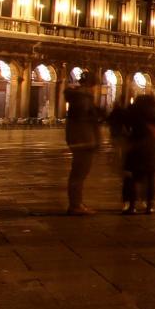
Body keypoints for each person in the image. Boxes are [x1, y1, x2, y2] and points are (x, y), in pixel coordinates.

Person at [122, 94, 155, 215]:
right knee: (151, 177)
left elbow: (124, 126)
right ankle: (149, 206)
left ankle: (131, 206)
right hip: (153, 147)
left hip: (136, 146)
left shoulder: (133, 111)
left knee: (133, 177)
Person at [64, 71, 103, 215]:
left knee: (78, 175)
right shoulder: (83, 98)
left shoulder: (78, 97)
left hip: (78, 139)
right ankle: (75, 205)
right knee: (79, 175)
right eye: (93, 85)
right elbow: (85, 118)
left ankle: (77, 203)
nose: (94, 88)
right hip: (84, 140)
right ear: (89, 84)